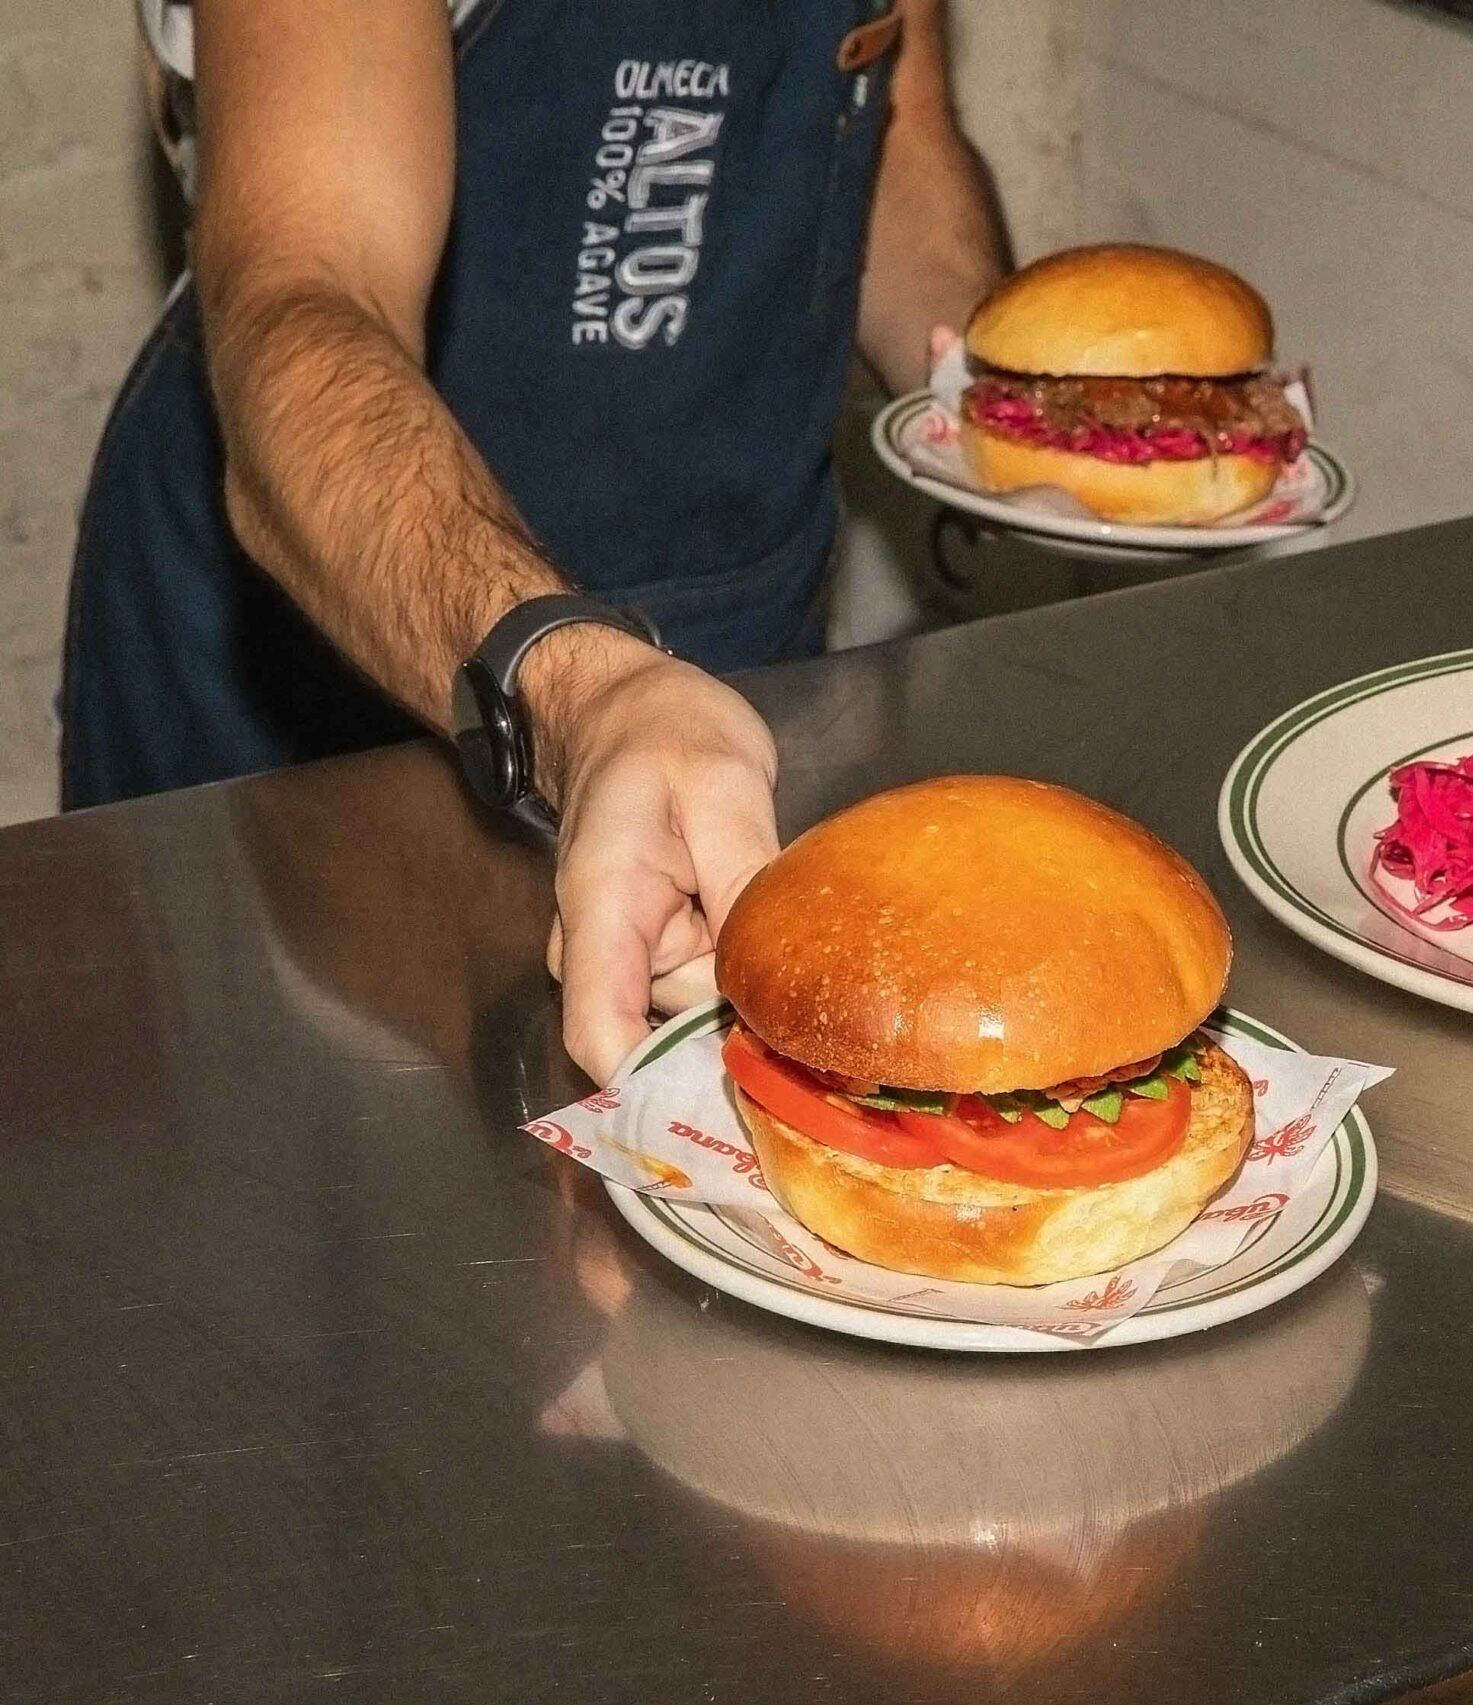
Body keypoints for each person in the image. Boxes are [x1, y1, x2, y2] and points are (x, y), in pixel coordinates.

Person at [61, 0, 1007, 1082]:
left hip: (738, 640)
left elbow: (902, 138)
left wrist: (1031, 404)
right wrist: (577, 688)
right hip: (343, 710)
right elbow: (311, 293)